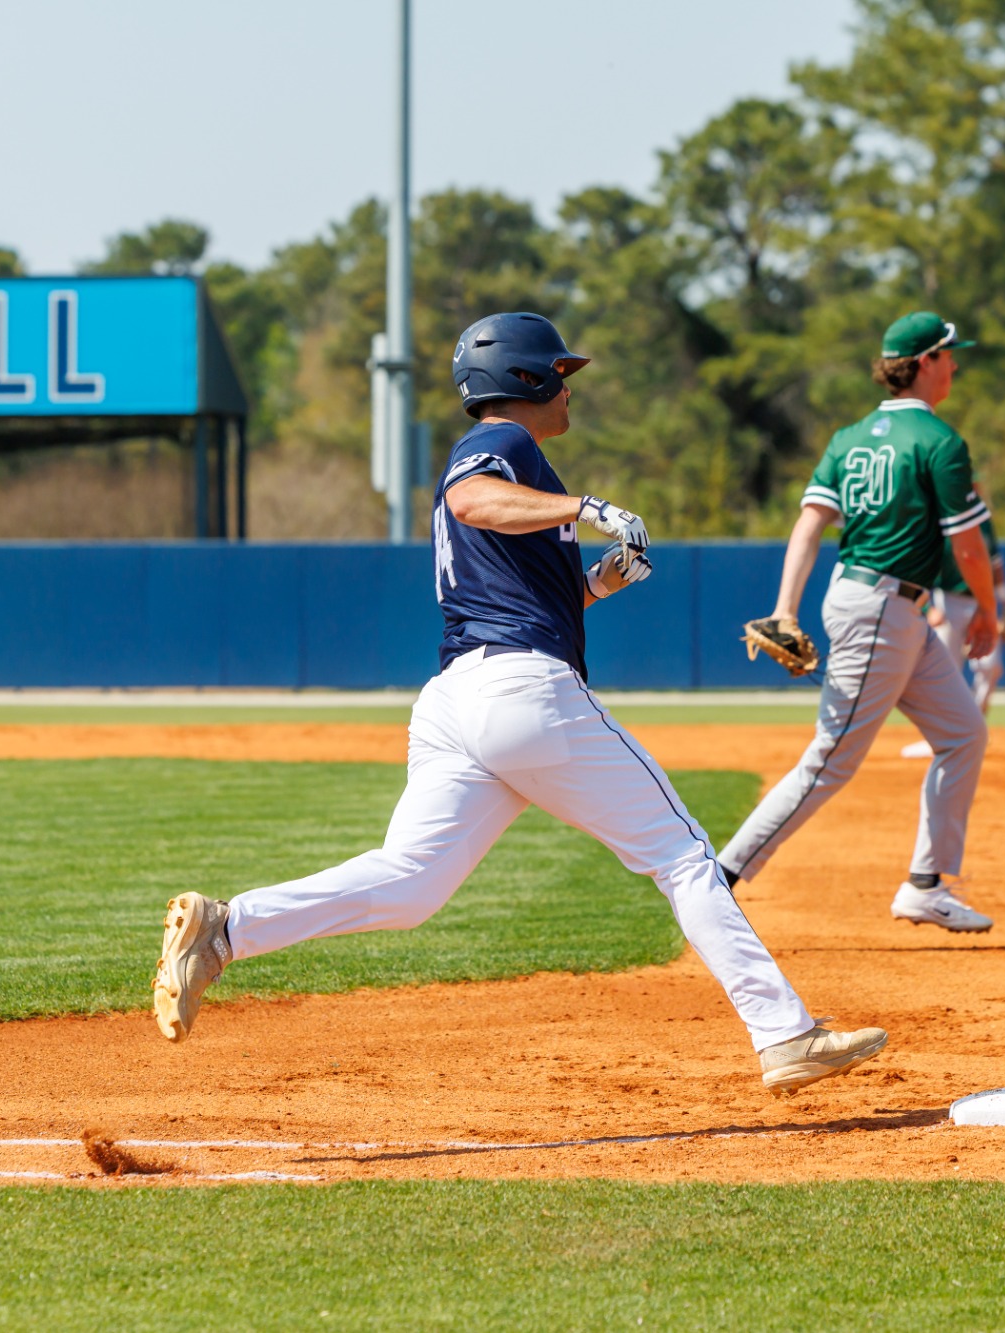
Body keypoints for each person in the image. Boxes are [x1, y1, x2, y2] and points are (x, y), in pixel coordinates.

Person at [152, 312, 887, 1097]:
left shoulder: (517, 466)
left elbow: (521, 584)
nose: (570, 387)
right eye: (560, 373)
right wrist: (583, 507)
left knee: (409, 884)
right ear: (526, 379)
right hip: (519, 690)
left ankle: (227, 929)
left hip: (455, 700)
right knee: (681, 855)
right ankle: (784, 1034)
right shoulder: (503, 446)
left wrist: (597, 581)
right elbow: (472, 499)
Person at [719, 310, 1000, 932]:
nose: (955, 365)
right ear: (925, 362)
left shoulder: (849, 438)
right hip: (879, 612)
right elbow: (970, 547)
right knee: (829, 762)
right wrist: (986, 607)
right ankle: (721, 878)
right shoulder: (940, 443)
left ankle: (925, 885)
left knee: (963, 733)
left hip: (882, 607)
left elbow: (811, 523)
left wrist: (786, 607)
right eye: (950, 355)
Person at [901, 487, 1005, 759]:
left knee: (992, 667)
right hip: (948, 601)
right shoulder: (938, 519)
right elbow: (921, 563)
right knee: (944, 671)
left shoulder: (983, 520)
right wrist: (928, 605)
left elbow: (994, 563)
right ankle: (939, 738)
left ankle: (972, 732)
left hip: (981, 601)